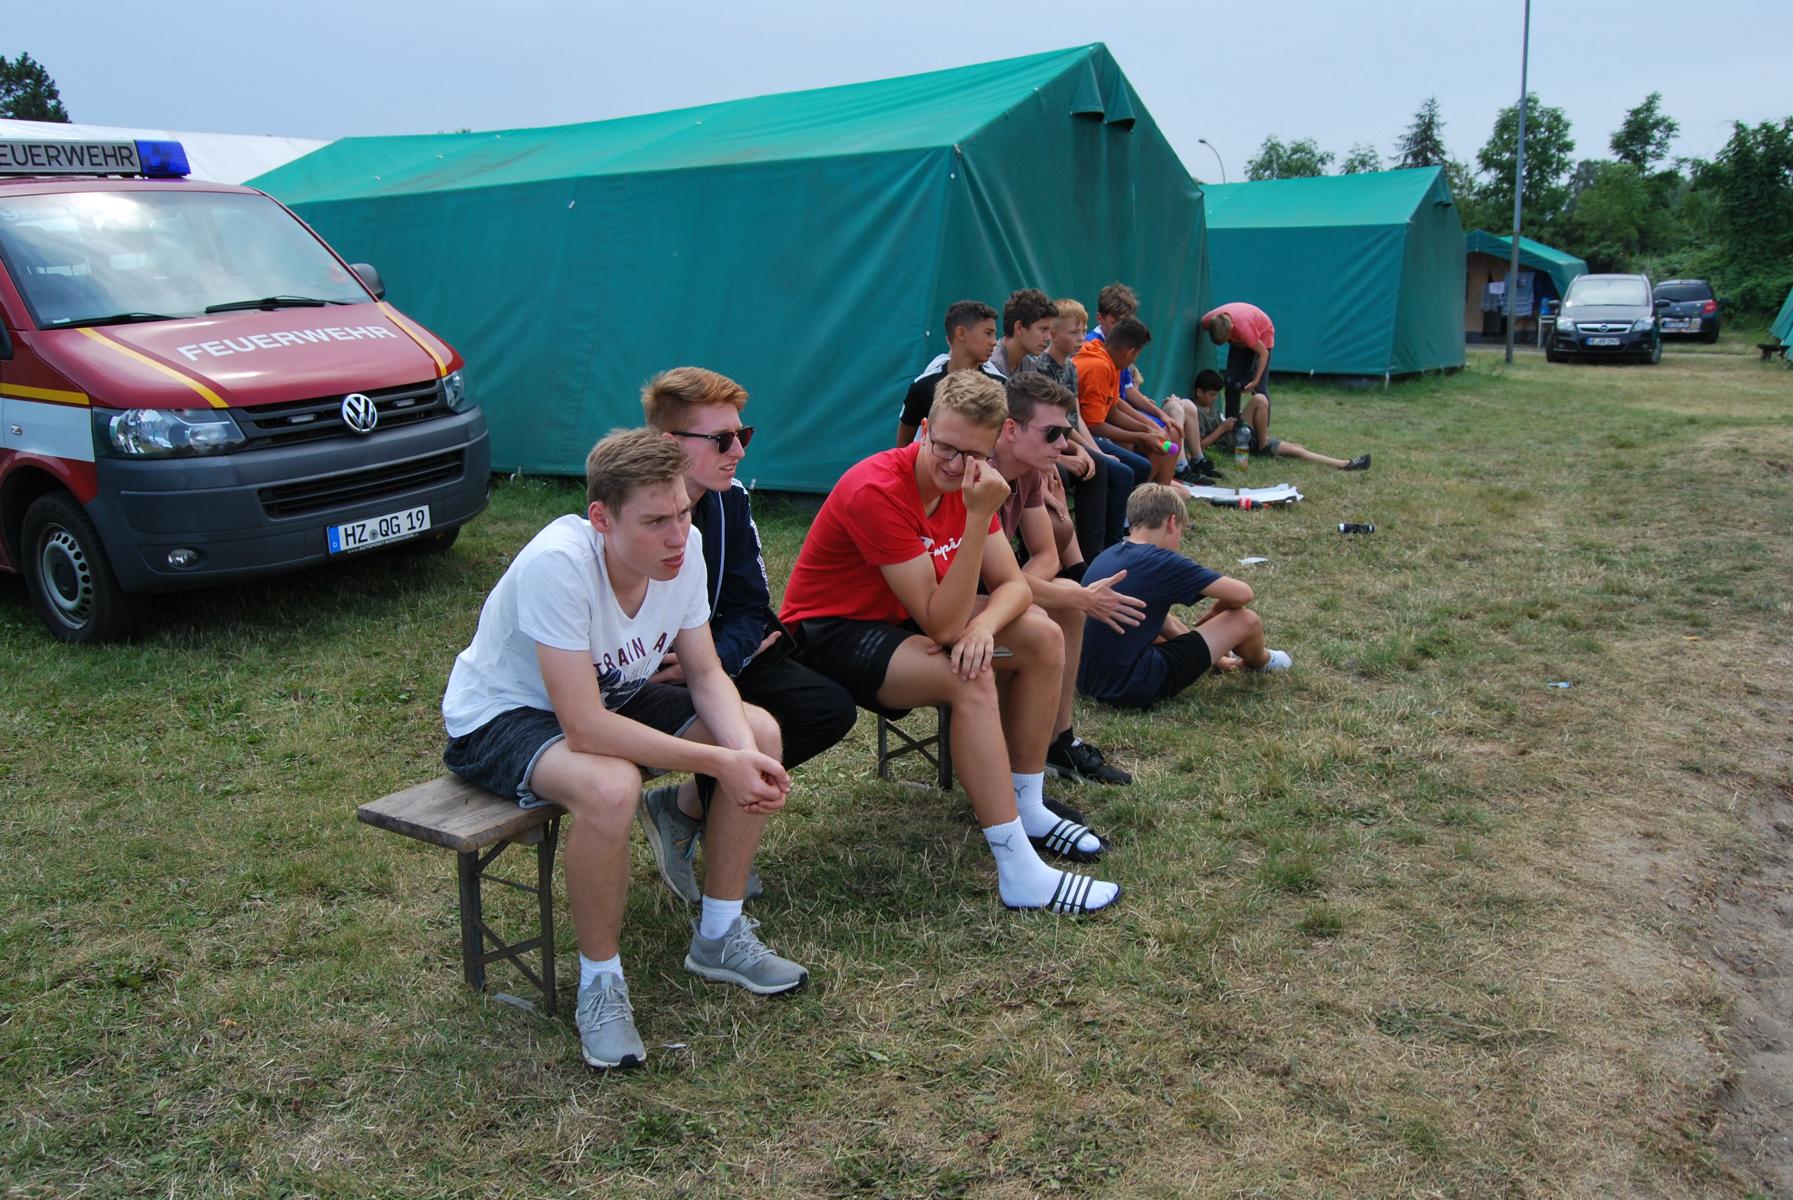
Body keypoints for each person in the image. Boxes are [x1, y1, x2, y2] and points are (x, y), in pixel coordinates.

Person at [440, 428, 806, 1072]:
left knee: (761, 733)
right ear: (601, 518)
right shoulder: (559, 562)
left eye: (683, 513)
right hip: (501, 715)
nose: (676, 535)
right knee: (612, 787)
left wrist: (744, 752)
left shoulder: (685, 549)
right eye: (655, 521)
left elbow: (705, 673)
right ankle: (600, 983)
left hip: (610, 695)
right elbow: (584, 728)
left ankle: (720, 935)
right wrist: (721, 763)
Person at [781, 371, 1122, 914]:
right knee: (966, 673)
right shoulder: (878, 488)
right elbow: (942, 625)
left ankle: (1027, 804)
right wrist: (980, 518)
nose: (955, 465)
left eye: (973, 454)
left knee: (1042, 635)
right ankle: (1018, 870)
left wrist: (984, 628)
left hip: (905, 616)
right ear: (924, 429)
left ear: (993, 445)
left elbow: (1013, 586)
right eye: (944, 447)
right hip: (829, 632)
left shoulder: (975, 480)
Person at [638, 368, 858, 903]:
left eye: (743, 435)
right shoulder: (632, 510)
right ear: (670, 443)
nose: (738, 451)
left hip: (712, 657)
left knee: (829, 709)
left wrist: (713, 658)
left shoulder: (729, 499)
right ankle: (720, 845)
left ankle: (688, 809)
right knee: (742, 725)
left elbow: (749, 606)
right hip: (650, 673)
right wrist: (698, 663)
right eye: (722, 439)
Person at [989, 371, 1146, 784]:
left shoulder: (1027, 469)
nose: (1063, 445)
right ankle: (1012, 763)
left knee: (1064, 594)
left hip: (993, 595)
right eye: (1053, 433)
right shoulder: (982, 474)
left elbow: (1047, 553)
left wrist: (1019, 587)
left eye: (1065, 432)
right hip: (950, 607)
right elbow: (993, 578)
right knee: (1053, 611)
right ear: (1011, 429)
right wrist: (1026, 589)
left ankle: (1059, 739)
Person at [1077, 483, 1293, 711]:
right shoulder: (1161, 561)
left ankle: (1228, 656)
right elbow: (1243, 593)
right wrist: (1219, 610)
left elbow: (1163, 621)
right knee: (1245, 620)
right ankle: (1262, 661)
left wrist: (1215, 657)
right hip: (1131, 687)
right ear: (1172, 522)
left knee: (1157, 623)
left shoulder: (1108, 555)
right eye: (1181, 531)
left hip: (1089, 681)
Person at [1200, 302, 1372, 473]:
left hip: (1238, 429)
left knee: (1260, 398)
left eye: (1216, 395)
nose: (1215, 399)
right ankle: (1344, 464)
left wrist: (1255, 381)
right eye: (1212, 395)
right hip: (1235, 438)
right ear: (1199, 393)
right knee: (1298, 451)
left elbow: (1262, 353)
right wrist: (1222, 429)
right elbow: (1200, 445)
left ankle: (1264, 444)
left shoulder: (1245, 330)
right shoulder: (1197, 414)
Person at [1023, 297, 1134, 556]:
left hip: (1070, 438)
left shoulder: (1071, 368)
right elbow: (1056, 423)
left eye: (1083, 331)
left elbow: (1076, 417)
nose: (1081, 338)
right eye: (1074, 332)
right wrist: (1091, 452)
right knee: (1102, 469)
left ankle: (1109, 544)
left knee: (1123, 469)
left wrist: (1095, 450)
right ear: (1053, 334)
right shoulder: (1041, 368)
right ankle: (1091, 550)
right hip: (1052, 440)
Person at [1075, 316, 1175, 485]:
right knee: (1130, 471)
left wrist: (1147, 429)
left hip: (1088, 434)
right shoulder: (1100, 366)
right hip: (1078, 437)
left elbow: (1112, 410)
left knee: (1141, 466)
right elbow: (1094, 425)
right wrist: (1140, 437)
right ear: (1130, 352)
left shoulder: (1109, 361)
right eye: (1137, 354)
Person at [895, 300, 1002, 447]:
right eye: (988, 333)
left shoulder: (1000, 386)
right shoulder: (923, 387)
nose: (994, 342)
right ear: (961, 333)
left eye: (994, 334)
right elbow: (903, 444)